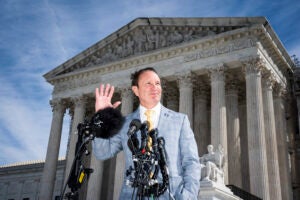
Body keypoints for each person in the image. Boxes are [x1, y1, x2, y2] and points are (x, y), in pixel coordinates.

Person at [92, 67, 200, 199]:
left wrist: (189, 195)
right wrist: (101, 118)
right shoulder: (125, 123)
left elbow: (191, 161)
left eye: (157, 83)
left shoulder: (179, 120)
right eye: (148, 83)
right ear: (136, 90)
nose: (154, 87)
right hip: (133, 195)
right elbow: (102, 152)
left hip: (172, 195)